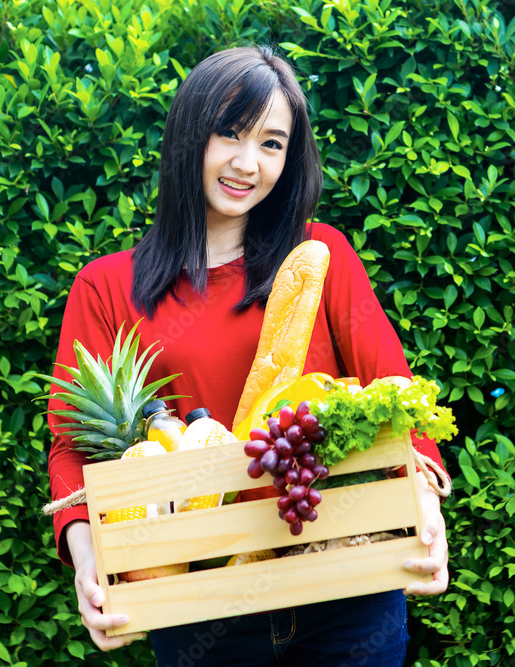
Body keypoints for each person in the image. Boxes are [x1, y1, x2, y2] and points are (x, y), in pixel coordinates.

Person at [46, 45, 450, 666]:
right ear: (189, 136)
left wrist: (426, 512)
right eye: (228, 134)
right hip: (199, 602)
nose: (246, 163)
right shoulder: (107, 287)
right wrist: (88, 560)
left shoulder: (321, 255)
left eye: (271, 143)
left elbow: (394, 389)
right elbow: (71, 445)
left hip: (343, 590)